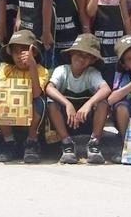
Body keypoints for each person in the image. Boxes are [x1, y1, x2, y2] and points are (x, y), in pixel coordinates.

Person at [45, 34, 111, 164]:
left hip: (86, 121)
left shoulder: (92, 73)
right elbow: (49, 88)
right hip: (66, 122)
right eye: (78, 53)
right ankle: (67, 144)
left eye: (86, 56)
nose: (81, 58)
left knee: (103, 103)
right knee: (51, 102)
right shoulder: (62, 70)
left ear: (92, 60)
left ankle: (94, 144)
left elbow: (106, 89)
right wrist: (67, 104)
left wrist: (88, 104)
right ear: (71, 54)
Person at [0, 30, 49, 163]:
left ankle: (31, 142)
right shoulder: (6, 68)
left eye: (24, 50)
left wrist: (32, 67)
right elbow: (1, 89)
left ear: (33, 53)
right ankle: (8, 141)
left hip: (32, 113)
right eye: (15, 51)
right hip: (10, 112)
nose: (19, 55)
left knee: (40, 102)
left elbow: (36, 93)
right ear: (10, 54)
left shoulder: (42, 71)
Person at [87, 0, 131, 84]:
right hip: (100, 39)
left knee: (116, 68)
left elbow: (126, 18)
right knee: (100, 66)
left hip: (116, 39)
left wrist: (130, 38)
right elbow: (90, 12)